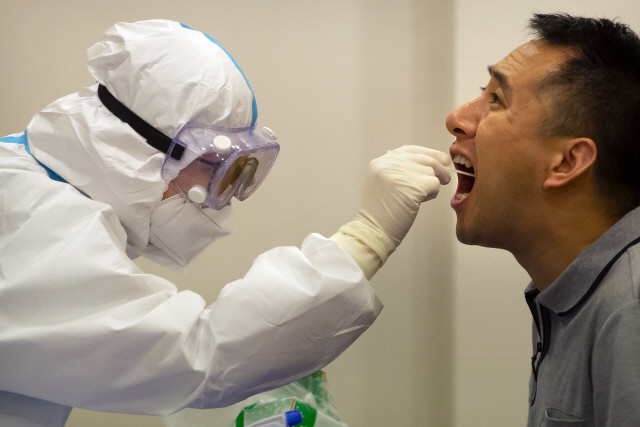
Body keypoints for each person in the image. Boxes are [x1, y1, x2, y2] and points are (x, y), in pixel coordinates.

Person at [0, 20, 451, 427]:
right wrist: (365, 238)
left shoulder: (33, 186)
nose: (220, 196)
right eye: (215, 164)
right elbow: (193, 355)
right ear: (136, 144)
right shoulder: (32, 222)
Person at [446, 12, 640, 426]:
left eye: (496, 99)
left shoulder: (631, 311)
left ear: (567, 161)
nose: (458, 119)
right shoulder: (565, 290)